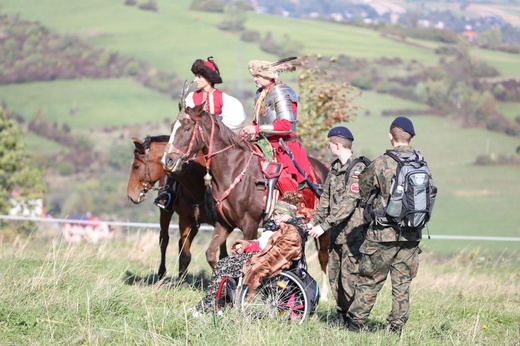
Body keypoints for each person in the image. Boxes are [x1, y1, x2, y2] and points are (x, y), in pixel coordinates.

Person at [346, 117, 424, 335]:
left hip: (382, 233)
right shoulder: (421, 161)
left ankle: (355, 326)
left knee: (369, 280)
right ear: (412, 138)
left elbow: (363, 189)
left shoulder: (381, 162)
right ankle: (396, 329)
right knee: (402, 285)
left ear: (391, 135)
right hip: (411, 234)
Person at [192, 191, 306, 315]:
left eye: (280, 214)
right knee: (224, 264)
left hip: (265, 263)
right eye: (275, 214)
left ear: (289, 214)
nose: (275, 217)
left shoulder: (291, 231)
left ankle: (209, 307)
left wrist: (257, 267)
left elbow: (278, 256)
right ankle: (215, 304)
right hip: (260, 257)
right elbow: (262, 245)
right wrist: (246, 246)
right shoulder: (276, 227)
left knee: (223, 266)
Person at [155, 57, 247, 210]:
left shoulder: (225, 99)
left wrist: (213, 125)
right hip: (194, 143)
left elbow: (236, 121)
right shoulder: (192, 97)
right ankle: (169, 194)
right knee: (177, 161)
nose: (196, 80)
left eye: (199, 76)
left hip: (214, 146)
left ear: (209, 79)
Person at [307, 126, 368, 326]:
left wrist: (323, 226)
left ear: (337, 144)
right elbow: (324, 200)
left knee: (350, 278)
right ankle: (341, 316)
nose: (329, 147)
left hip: (352, 235)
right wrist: (313, 222)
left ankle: (354, 321)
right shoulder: (334, 168)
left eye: (330, 144)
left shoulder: (358, 169)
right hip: (336, 234)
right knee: (335, 277)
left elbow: (348, 205)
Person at [241, 57, 312, 194]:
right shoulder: (260, 94)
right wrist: (249, 131)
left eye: (258, 76)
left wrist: (256, 129)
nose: (255, 79)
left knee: (281, 176)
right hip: (263, 143)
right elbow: (258, 122)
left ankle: (290, 204)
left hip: (281, 146)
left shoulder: (280, 92)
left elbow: (286, 126)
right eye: (254, 76)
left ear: (268, 76)